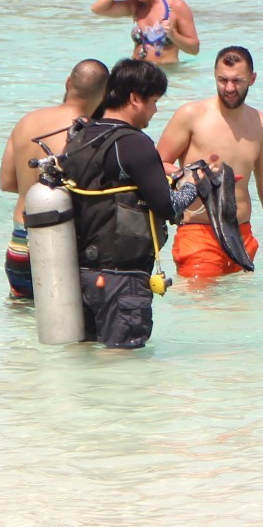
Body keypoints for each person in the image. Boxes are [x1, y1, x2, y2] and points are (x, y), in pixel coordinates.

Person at [57, 60, 178, 349]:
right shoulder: (134, 144)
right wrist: (194, 185)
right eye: (153, 101)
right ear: (135, 98)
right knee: (123, 370)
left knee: (86, 361)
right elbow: (169, 207)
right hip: (122, 279)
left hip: (79, 276)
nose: (155, 110)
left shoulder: (80, 138)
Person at [156, 45, 263, 276]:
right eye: (223, 80)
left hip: (242, 236)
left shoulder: (261, 124)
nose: (229, 88)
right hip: (198, 232)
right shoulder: (191, 114)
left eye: (237, 81)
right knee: (203, 310)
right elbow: (155, 164)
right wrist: (192, 175)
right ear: (214, 75)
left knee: (238, 309)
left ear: (252, 79)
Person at [0, 59, 109, 299]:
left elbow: (6, 183)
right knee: (66, 329)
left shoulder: (27, 121)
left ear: (68, 82)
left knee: (25, 323)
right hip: (58, 245)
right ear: (105, 95)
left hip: (19, 244)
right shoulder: (89, 134)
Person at [90, 0, 199, 64]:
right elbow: (98, 8)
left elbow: (194, 49)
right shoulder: (136, 5)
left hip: (164, 72)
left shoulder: (176, 6)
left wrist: (173, 35)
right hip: (137, 71)